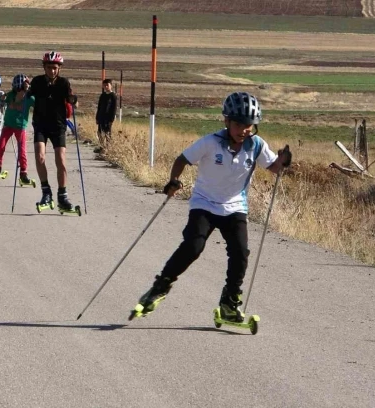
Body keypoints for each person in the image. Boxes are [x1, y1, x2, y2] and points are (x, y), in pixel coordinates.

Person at [130, 92, 292, 322]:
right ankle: (160, 286)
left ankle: (229, 302)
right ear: (226, 121)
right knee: (193, 246)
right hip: (204, 203)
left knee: (240, 253)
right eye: (238, 124)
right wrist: (174, 180)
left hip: (235, 206)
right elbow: (181, 160)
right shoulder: (210, 142)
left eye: (248, 125)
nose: (243, 130)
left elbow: (274, 168)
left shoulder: (256, 145)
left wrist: (283, 160)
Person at [27, 51, 78, 211]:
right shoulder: (37, 82)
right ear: (44, 67)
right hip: (41, 124)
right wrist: (24, 91)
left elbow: (71, 100)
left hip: (58, 125)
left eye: (55, 68)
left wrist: (73, 100)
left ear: (59, 68)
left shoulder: (64, 83)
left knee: (61, 160)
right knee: (40, 156)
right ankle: (46, 192)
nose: (52, 71)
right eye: (49, 67)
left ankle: (62, 196)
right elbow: (27, 96)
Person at [0, 74, 35, 185]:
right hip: (8, 125)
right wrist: (0, 100)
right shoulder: (11, 95)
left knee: (22, 150)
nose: (15, 89)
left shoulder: (29, 98)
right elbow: (1, 100)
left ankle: (23, 173)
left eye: (17, 87)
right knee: (1, 145)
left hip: (20, 127)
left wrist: (31, 91)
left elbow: (38, 103)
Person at [95, 78, 117, 147]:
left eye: (107, 85)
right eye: (104, 85)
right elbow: (99, 107)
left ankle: (108, 147)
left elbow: (114, 108)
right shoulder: (102, 95)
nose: (106, 87)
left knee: (107, 133)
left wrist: (111, 119)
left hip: (108, 118)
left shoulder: (113, 96)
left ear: (111, 86)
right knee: (100, 132)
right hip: (101, 117)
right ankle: (101, 146)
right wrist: (97, 117)